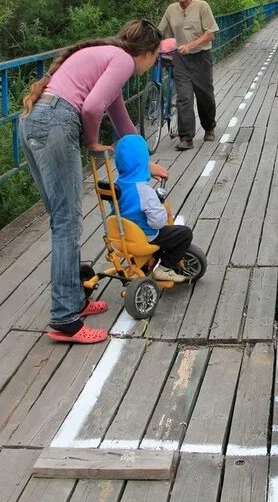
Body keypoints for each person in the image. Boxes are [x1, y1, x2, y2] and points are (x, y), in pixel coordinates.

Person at [19, 19, 170, 345]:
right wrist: (92, 141)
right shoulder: (124, 60)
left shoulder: (110, 56)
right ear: (146, 52)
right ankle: (64, 321)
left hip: (34, 121)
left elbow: (121, 121)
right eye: (156, 56)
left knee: (62, 221)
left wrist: (145, 163)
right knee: (67, 224)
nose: (154, 63)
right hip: (56, 124)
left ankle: (74, 302)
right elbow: (91, 108)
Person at [114, 134, 192, 283]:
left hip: (121, 237)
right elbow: (158, 223)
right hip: (144, 237)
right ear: (144, 162)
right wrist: (162, 209)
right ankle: (164, 267)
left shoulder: (116, 186)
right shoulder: (144, 191)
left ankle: (149, 260)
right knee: (184, 233)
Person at [158, 0, 219, 150]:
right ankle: (186, 138)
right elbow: (161, 31)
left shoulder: (202, 6)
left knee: (205, 96)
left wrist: (190, 45)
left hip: (201, 57)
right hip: (180, 59)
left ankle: (209, 128)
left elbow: (211, 34)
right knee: (184, 98)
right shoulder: (171, 10)